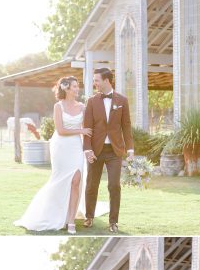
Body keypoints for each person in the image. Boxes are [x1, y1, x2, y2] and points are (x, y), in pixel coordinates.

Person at [14, 76, 91, 234]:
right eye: (74, 87)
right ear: (66, 88)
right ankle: (54, 213)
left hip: (76, 145)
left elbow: (86, 129)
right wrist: (81, 131)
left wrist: (87, 148)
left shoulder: (82, 107)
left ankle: (70, 220)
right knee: (60, 180)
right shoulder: (58, 106)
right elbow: (61, 130)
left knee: (76, 180)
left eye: (78, 86)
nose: (77, 89)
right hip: (60, 146)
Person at [83, 67, 134, 233]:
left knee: (114, 185)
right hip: (95, 150)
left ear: (106, 80)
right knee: (91, 185)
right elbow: (87, 127)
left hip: (114, 151)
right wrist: (87, 149)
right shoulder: (91, 101)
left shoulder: (122, 100)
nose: (94, 83)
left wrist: (130, 148)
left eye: (97, 80)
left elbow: (126, 126)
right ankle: (89, 217)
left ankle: (113, 221)